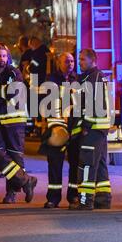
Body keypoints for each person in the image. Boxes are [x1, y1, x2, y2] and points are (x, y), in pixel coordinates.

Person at [0, 46, 37, 204]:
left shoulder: (15, 73)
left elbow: (11, 92)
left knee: (15, 157)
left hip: (14, 121)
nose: (1, 58)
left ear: (8, 58)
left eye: (4, 56)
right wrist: (0, 94)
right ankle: (26, 181)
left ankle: (11, 193)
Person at [71, 49, 112, 210]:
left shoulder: (94, 78)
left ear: (92, 60)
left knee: (86, 164)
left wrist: (85, 127)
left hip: (93, 128)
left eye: (82, 59)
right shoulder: (92, 77)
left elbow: (93, 104)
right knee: (100, 165)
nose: (79, 62)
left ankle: (85, 200)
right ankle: (103, 199)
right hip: (98, 129)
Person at [39, 52, 79, 209]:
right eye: (67, 61)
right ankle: (53, 198)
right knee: (55, 163)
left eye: (72, 61)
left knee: (75, 163)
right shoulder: (51, 80)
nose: (70, 64)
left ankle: (73, 196)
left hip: (74, 128)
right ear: (59, 63)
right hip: (57, 126)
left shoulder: (78, 80)